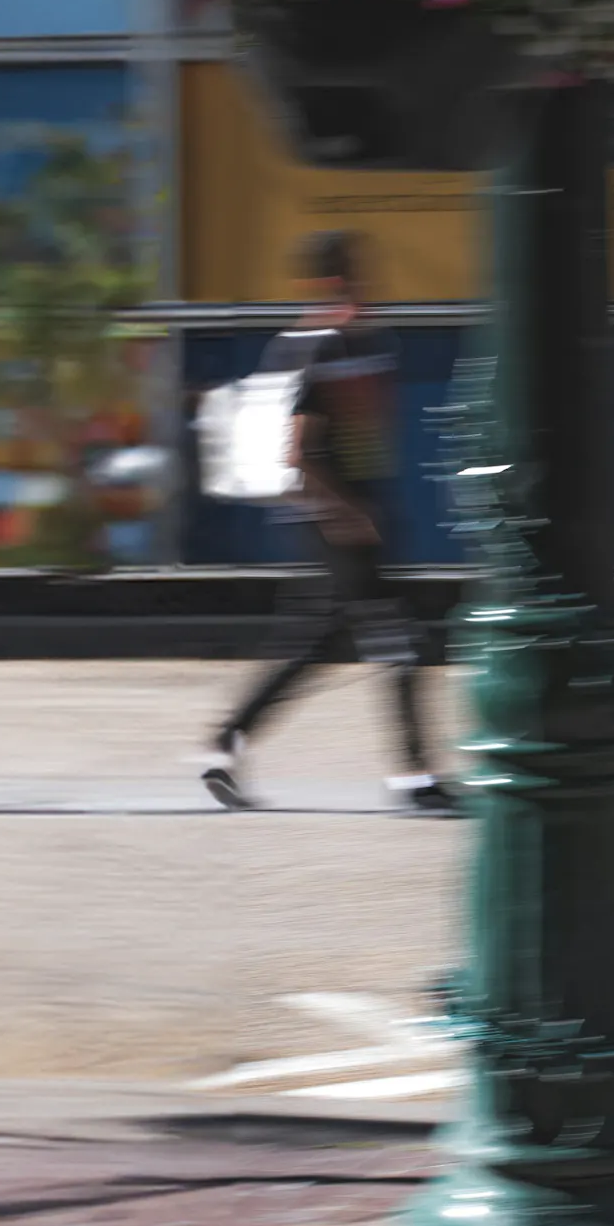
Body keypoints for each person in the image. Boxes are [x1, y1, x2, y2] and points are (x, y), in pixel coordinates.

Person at [200, 232, 449, 815]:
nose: (367, 281)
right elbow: (297, 452)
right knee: (402, 645)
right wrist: (348, 512)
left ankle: (224, 743)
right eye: (355, 271)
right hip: (338, 517)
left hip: (351, 513)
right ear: (333, 280)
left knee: (317, 642)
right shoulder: (320, 346)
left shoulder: (354, 341)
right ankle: (413, 775)